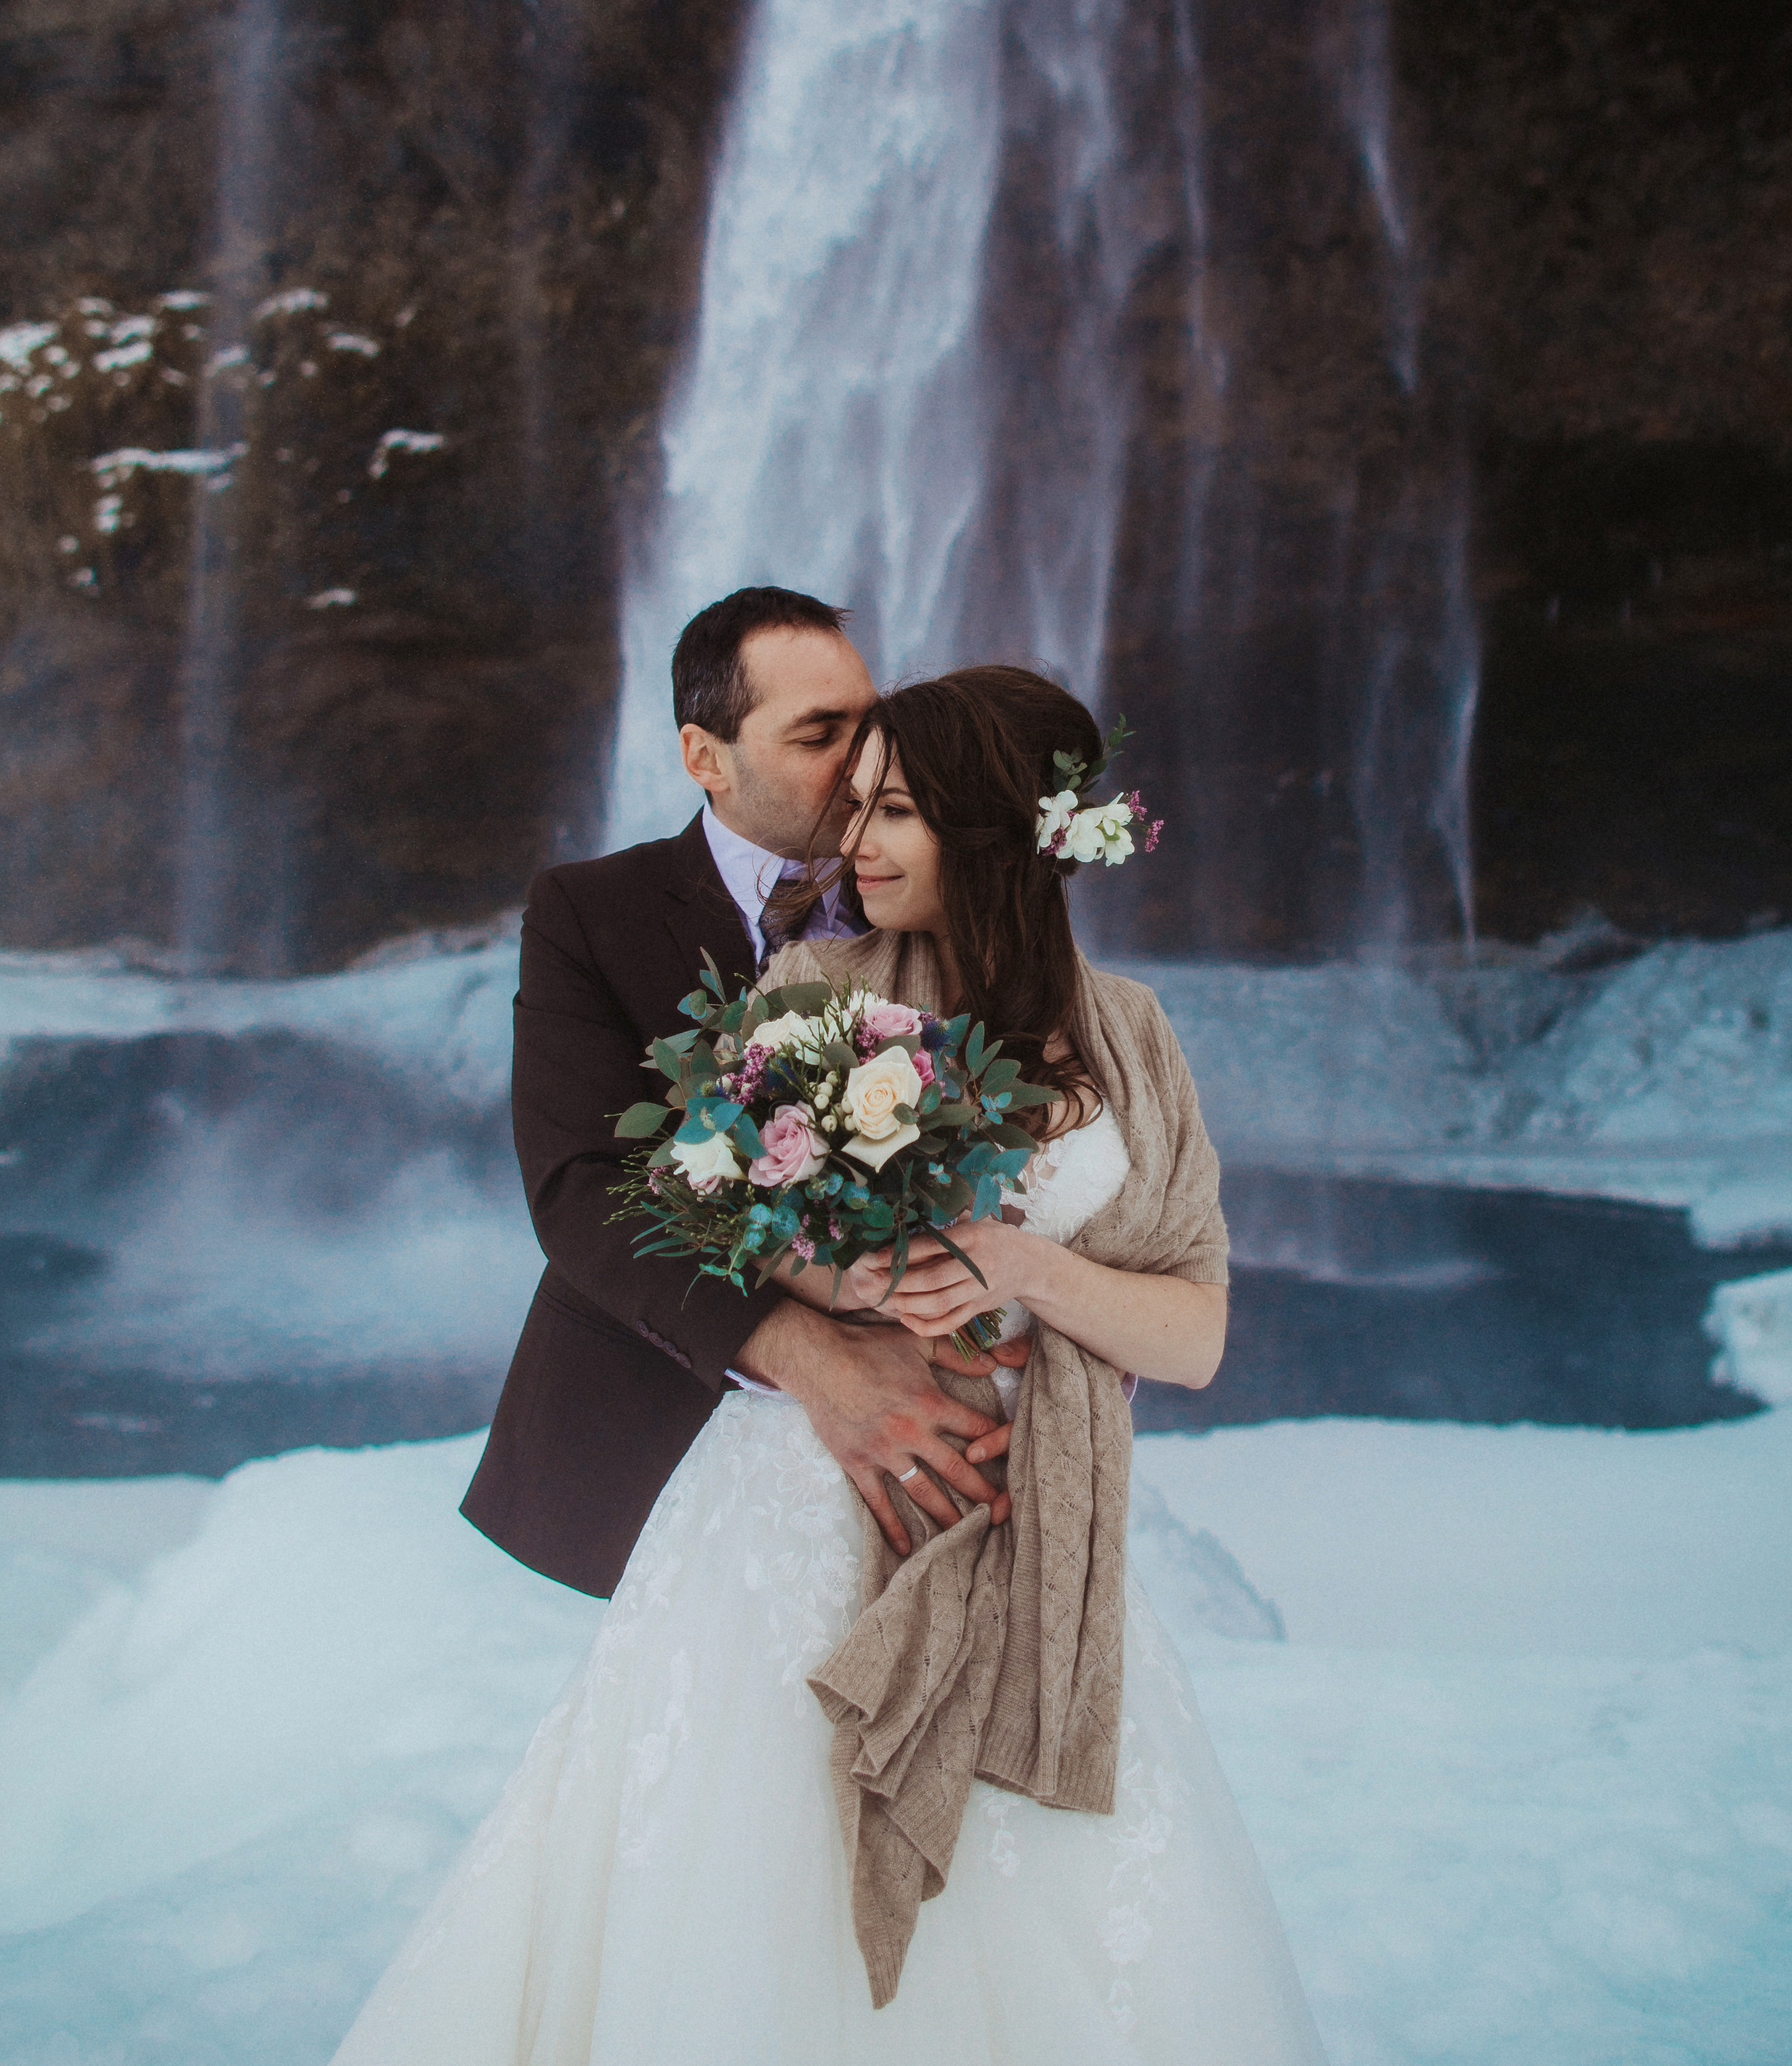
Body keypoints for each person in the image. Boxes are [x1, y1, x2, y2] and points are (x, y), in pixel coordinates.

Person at [336, 664, 1327, 2065]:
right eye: (852, 802)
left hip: (1037, 1527)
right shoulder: (809, 995)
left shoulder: (1134, 1034)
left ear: (995, 826)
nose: (851, 839)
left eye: (895, 810)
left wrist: (1030, 1268)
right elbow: (702, 1210)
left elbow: (1199, 1334)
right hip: (805, 1509)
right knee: (754, 1880)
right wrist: (843, 1276)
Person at [461, 587, 1027, 1599]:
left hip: (961, 1442)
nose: (867, 760)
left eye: (873, 723)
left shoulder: (950, 891)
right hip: (664, 1444)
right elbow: (582, 1189)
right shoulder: (588, 913)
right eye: (820, 734)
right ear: (705, 758)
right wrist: (817, 1360)